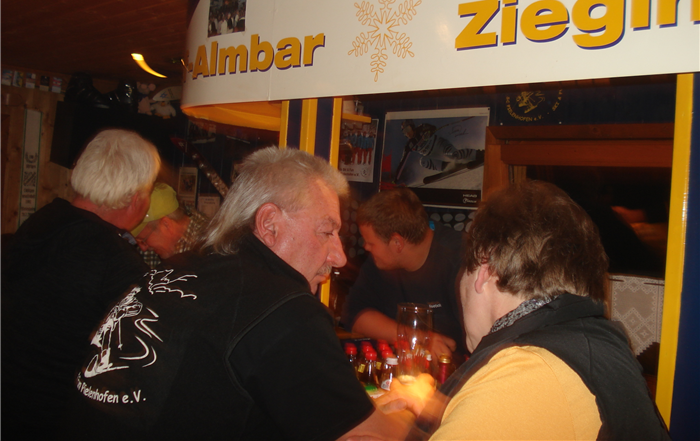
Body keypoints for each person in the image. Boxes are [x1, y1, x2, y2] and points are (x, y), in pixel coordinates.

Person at [69, 146, 410, 441]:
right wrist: (415, 405)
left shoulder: (178, 268)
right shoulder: (284, 309)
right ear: (270, 224)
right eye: (326, 232)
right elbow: (371, 436)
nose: (339, 257)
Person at [377, 180, 671, 441]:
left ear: (484, 270)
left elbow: (512, 401)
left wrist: (394, 423)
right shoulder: (586, 343)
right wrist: (432, 406)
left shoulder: (525, 374)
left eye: (465, 270)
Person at [0, 128, 160, 438]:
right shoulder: (113, 257)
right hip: (53, 417)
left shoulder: (44, 220)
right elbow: (150, 351)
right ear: (135, 198)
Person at [342, 188, 467, 363]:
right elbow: (354, 314)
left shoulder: (463, 261)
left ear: (397, 243)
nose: (365, 247)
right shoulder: (381, 261)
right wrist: (418, 338)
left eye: (371, 243)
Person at [132, 182, 209, 268]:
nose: (143, 248)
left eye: (143, 241)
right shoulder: (152, 249)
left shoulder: (207, 246)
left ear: (166, 224)